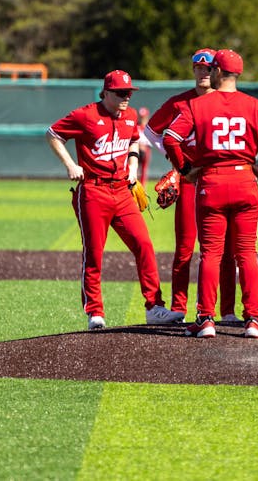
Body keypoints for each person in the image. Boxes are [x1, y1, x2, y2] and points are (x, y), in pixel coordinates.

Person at [163, 50, 258, 339]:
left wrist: (185, 168)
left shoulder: (199, 104)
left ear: (218, 71)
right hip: (245, 179)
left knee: (210, 254)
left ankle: (206, 319)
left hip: (212, 181)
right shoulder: (254, 105)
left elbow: (170, 138)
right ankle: (254, 320)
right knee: (246, 253)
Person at [46, 70, 179, 330]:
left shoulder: (129, 116)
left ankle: (154, 307)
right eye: (120, 93)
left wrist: (132, 167)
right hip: (93, 192)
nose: (126, 97)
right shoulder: (85, 115)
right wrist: (70, 164)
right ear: (105, 93)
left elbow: (133, 142)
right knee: (94, 253)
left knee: (144, 245)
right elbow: (52, 134)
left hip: (122, 192)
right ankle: (95, 311)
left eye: (128, 92)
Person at [142, 49, 239, 323]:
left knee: (226, 250)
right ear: (193, 70)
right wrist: (176, 160)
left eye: (208, 68)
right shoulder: (180, 102)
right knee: (185, 247)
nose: (203, 72)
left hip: (221, 177)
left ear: (217, 71)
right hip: (188, 179)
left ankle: (228, 310)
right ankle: (179, 307)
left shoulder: (227, 102)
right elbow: (150, 132)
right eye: (199, 67)